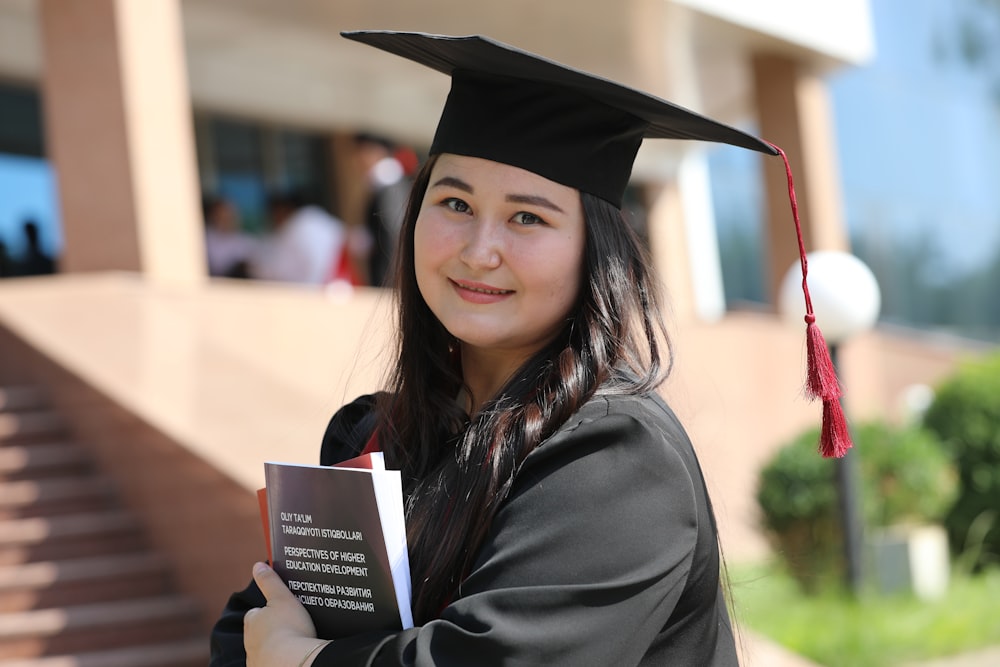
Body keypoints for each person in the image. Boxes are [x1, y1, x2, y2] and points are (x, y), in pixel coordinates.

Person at [210, 31, 845, 667]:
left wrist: (304, 660)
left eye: (527, 218)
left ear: (594, 251)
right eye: (455, 202)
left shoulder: (616, 457)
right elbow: (246, 628)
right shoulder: (378, 435)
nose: (479, 250)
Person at [353, 132, 414, 286]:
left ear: (377, 151)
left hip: (390, 281)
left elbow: (394, 237)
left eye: (362, 151)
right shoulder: (385, 185)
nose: (358, 160)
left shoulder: (390, 187)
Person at [249, 192, 347, 286]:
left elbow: (276, 270)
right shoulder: (315, 217)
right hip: (341, 281)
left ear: (284, 210)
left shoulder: (296, 226)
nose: (274, 220)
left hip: (326, 285)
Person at [203, 195, 259, 278]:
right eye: (222, 215)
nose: (226, 219)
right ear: (214, 216)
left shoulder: (247, 242)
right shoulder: (206, 240)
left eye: (229, 215)